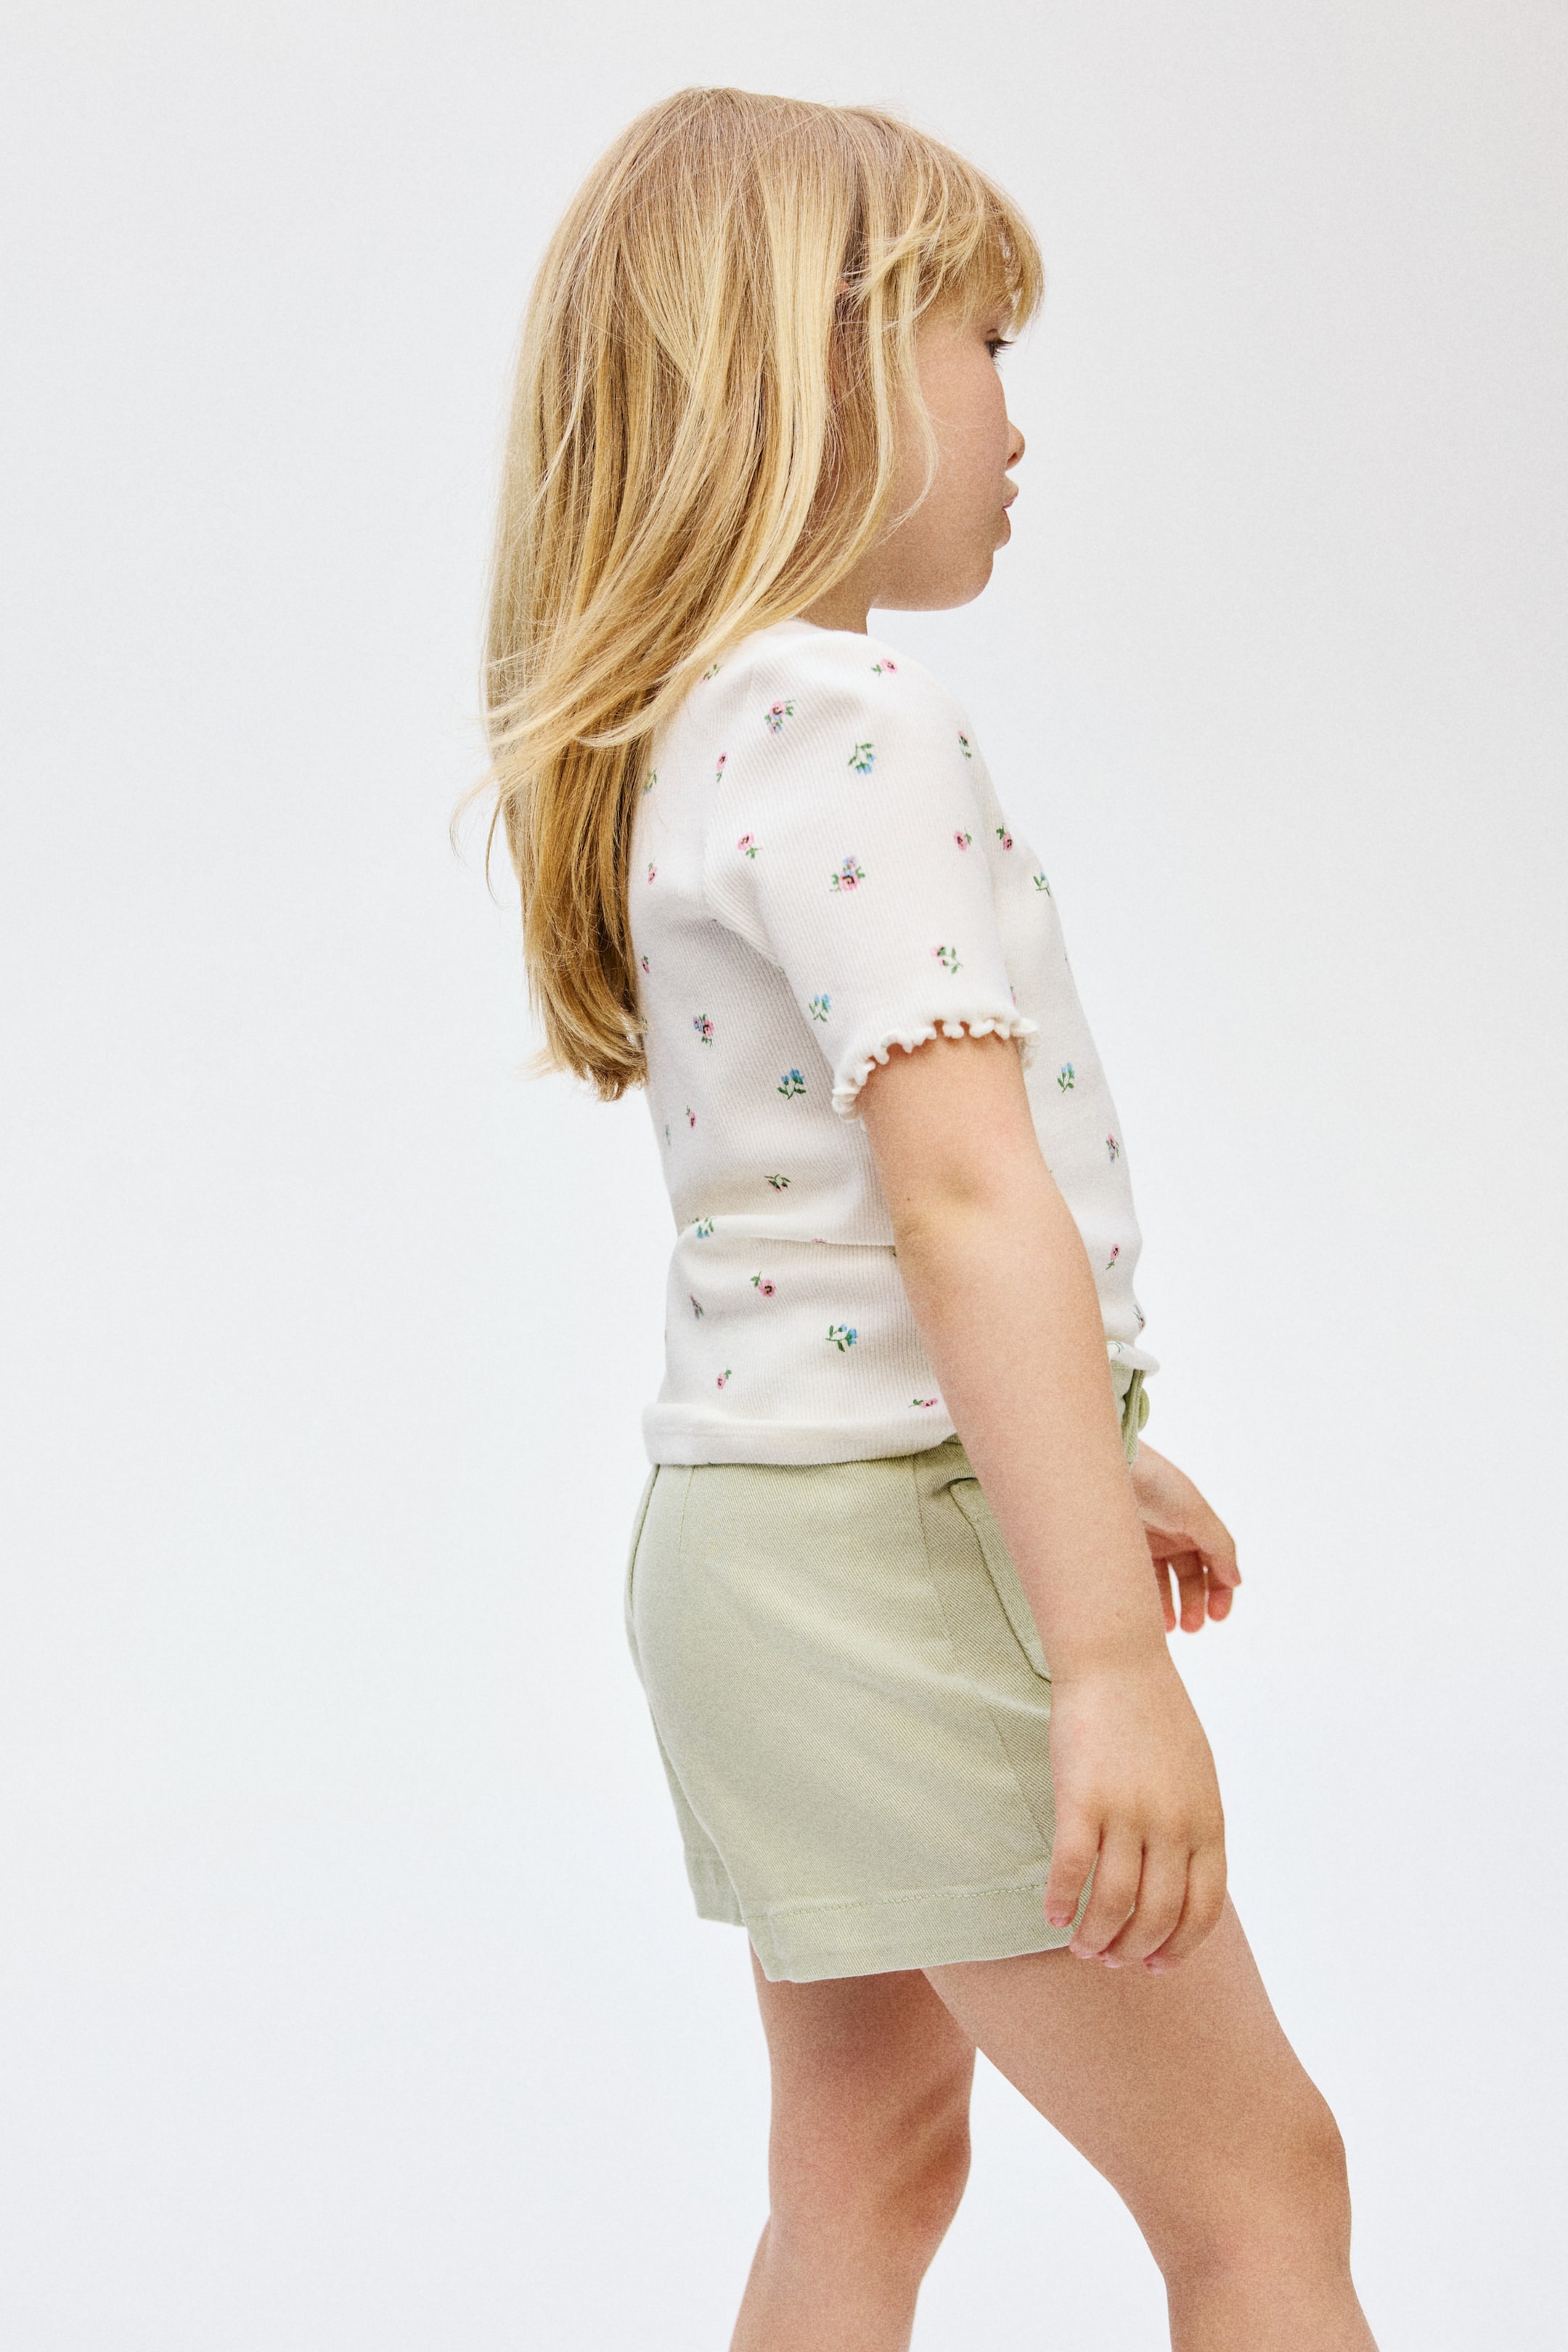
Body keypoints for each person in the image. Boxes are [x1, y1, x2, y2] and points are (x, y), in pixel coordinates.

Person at [481, 84, 1378, 2352]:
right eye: (981, 342)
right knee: (1260, 2188)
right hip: (889, 1561)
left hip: (753, 1551)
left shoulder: (697, 726)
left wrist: (1086, 1447)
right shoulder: (853, 719)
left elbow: (824, 1248)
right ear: (815, 363)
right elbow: (964, 1201)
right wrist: (1104, 1664)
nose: (1014, 414)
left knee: (864, 2176)